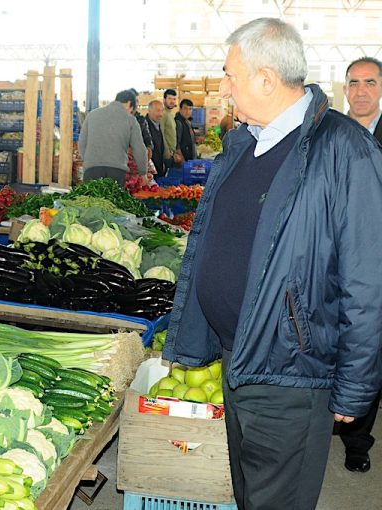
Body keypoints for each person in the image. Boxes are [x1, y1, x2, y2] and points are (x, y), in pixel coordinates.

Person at [162, 18, 382, 510]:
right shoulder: (246, 144)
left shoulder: (346, 150)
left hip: (293, 375)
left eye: (229, 75)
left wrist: (355, 387)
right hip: (239, 361)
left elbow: (368, 281)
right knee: (248, 495)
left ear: (265, 79)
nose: (222, 87)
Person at [337, 56, 382, 474]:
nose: (361, 90)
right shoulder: (332, 133)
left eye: (370, 81)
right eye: (354, 82)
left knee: (369, 346)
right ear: (344, 87)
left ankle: (357, 440)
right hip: (337, 257)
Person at [79, 89, 148, 186]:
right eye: (132, 110)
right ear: (129, 104)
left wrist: (88, 160)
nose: (131, 112)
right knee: (112, 199)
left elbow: (82, 142)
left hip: (91, 169)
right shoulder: (130, 120)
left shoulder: (92, 115)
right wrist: (143, 173)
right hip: (116, 171)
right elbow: (139, 148)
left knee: (91, 200)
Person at [145, 99, 166, 178]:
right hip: (150, 171)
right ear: (149, 111)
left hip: (159, 168)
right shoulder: (144, 126)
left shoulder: (158, 124)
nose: (160, 114)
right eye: (157, 111)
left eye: (162, 111)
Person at [161, 89, 180, 169]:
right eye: (169, 98)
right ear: (164, 99)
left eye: (174, 99)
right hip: (167, 155)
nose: (172, 101)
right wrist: (167, 153)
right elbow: (161, 133)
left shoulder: (170, 114)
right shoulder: (163, 114)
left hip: (172, 153)